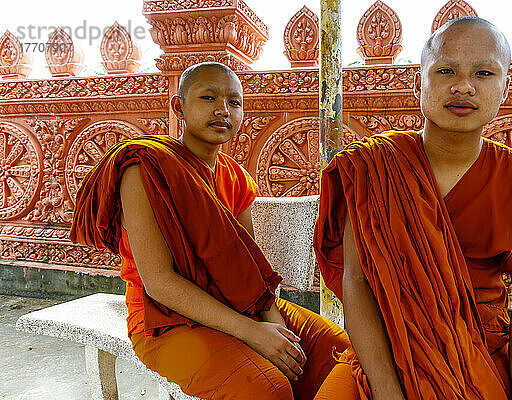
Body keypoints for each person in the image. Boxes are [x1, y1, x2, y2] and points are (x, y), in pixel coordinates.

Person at [313, 17, 512, 400]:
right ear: (420, 83)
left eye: (483, 73)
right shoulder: (373, 167)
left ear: (504, 87)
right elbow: (357, 283)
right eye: (446, 70)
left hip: (483, 355)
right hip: (385, 352)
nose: (463, 86)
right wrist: (386, 390)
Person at [70, 62, 349, 400]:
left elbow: (248, 271)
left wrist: (273, 325)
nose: (223, 110)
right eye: (208, 97)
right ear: (179, 106)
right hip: (162, 320)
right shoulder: (146, 169)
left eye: (234, 102)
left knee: (344, 355)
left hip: (237, 305)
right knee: (267, 388)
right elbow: (160, 283)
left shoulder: (237, 179)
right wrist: (252, 332)